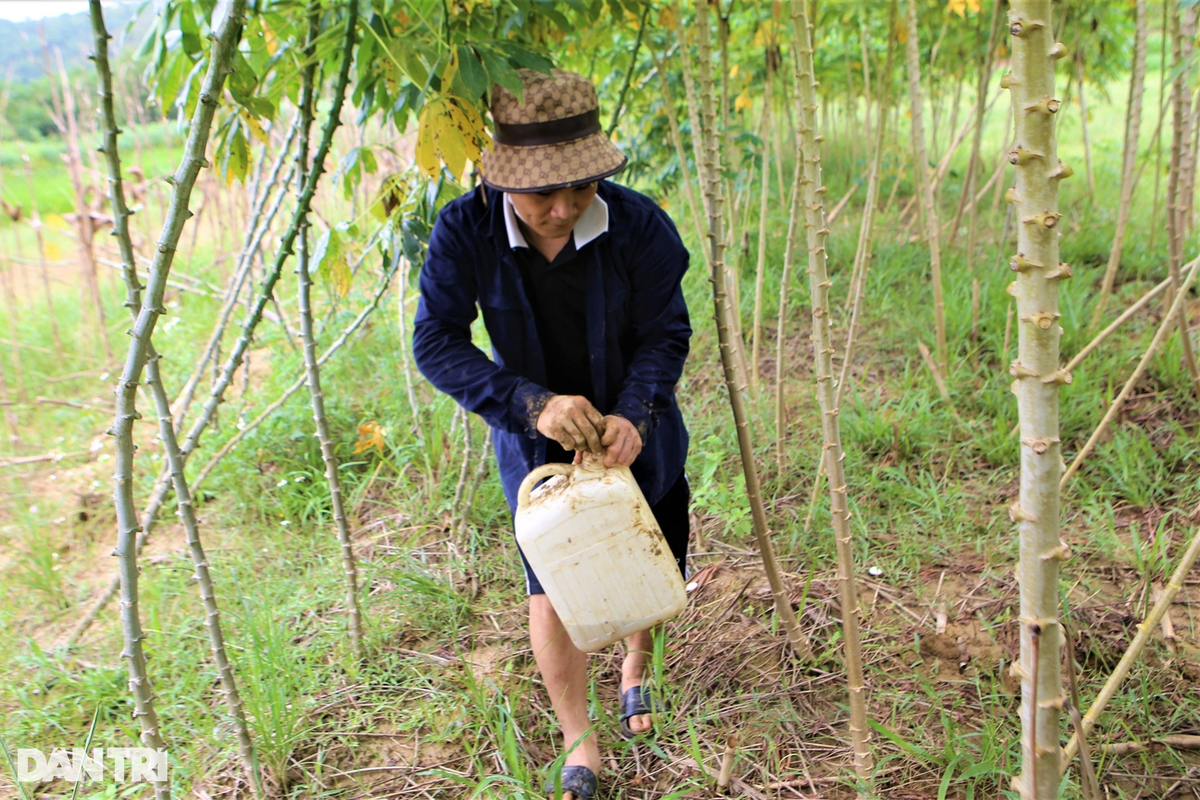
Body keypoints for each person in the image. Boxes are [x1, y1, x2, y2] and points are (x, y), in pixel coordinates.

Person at [412, 68, 692, 800]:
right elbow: (436, 342)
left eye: (582, 188)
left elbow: (667, 333)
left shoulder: (639, 226)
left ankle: (637, 668)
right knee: (552, 583)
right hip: (535, 443)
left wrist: (634, 412)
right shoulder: (463, 231)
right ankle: (579, 735)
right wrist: (528, 403)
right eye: (543, 193)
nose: (564, 208)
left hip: (640, 425)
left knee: (648, 554)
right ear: (504, 178)